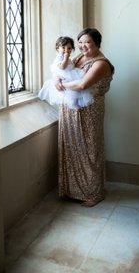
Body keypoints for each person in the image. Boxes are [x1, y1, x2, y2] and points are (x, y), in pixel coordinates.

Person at [55, 28, 114, 207]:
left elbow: (82, 85)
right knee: (71, 146)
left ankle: (94, 193)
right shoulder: (78, 58)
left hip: (89, 113)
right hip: (70, 109)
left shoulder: (101, 63)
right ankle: (72, 190)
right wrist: (56, 79)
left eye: (87, 42)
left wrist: (62, 84)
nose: (82, 46)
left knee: (89, 149)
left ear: (97, 43)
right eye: (80, 42)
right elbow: (61, 69)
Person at [38, 36, 93, 109]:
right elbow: (62, 67)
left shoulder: (70, 58)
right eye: (63, 47)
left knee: (75, 90)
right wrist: (66, 58)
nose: (66, 50)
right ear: (57, 48)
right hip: (65, 77)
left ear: (72, 49)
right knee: (70, 93)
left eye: (69, 48)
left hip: (70, 76)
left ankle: (76, 102)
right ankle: (73, 104)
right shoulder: (59, 57)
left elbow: (71, 67)